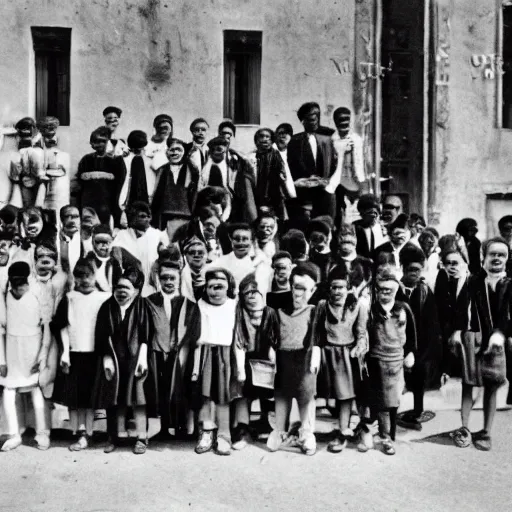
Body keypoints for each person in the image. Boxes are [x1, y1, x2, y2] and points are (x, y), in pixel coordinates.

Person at [449, 238, 512, 451]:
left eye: (501, 255)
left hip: (497, 343)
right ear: (484, 257)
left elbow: (508, 316)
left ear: (507, 258)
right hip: (473, 339)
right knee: (469, 385)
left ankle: (486, 431)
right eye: (492, 254)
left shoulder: (509, 284)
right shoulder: (473, 281)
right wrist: (458, 331)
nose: (497, 258)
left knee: (492, 386)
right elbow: (461, 308)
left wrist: (500, 334)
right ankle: (464, 427)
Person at [93, 267, 157, 455]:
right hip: (114, 359)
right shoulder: (107, 307)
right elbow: (101, 334)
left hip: (136, 358)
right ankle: (115, 436)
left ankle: (141, 436)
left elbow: (147, 334)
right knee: (114, 398)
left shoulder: (143, 306)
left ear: (136, 290)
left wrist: (143, 359)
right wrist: (106, 359)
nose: (121, 292)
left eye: (126, 288)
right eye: (118, 287)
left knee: (138, 398)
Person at [51, 259, 110, 451]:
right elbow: (63, 327)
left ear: (95, 276)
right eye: (80, 276)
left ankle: (90, 432)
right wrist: (65, 353)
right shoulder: (70, 297)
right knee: (75, 397)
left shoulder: (103, 298)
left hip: (95, 354)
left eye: (88, 275)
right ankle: (78, 432)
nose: (84, 280)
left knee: (91, 397)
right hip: (75, 353)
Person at [267, 262, 320, 456]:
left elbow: (317, 336)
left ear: (313, 290)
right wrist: (271, 349)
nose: (299, 294)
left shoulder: (314, 310)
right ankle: (279, 431)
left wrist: (315, 354)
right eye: (296, 287)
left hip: (304, 358)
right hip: (283, 357)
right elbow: (272, 333)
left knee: (306, 395)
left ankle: (306, 433)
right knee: (282, 393)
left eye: (305, 289)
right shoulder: (279, 310)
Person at [315, 265, 368, 452]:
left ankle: (345, 431)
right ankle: (330, 428)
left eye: (341, 287)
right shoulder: (323, 306)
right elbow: (316, 332)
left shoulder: (357, 307)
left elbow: (362, 332)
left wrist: (358, 348)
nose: (337, 291)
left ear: (349, 288)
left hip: (347, 355)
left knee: (346, 395)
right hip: (328, 355)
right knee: (332, 397)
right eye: (334, 287)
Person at [0, 262, 51, 451]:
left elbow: (46, 326)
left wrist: (42, 356)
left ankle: (42, 433)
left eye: (21, 280)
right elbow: (1, 327)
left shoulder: (38, 291)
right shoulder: (4, 293)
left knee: (35, 389)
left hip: (33, 346)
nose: (17, 286)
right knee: (8, 390)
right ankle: (14, 434)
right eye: (14, 281)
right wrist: (2, 360)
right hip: (12, 347)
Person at [146, 258, 199, 438]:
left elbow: (192, 332)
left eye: (172, 278)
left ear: (179, 279)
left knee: (180, 387)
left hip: (180, 351)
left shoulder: (189, 305)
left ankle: (183, 428)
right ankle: (164, 427)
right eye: (164, 278)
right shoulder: (149, 301)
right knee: (161, 388)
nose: (168, 282)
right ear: (159, 279)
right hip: (157, 351)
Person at [368, 266, 416, 455]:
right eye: (382, 290)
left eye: (389, 290)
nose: (385, 293)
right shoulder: (372, 310)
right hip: (376, 358)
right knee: (379, 399)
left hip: (396, 359)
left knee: (393, 399)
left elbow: (412, 333)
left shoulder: (403, 309)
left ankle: (389, 434)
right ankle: (383, 434)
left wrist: (410, 352)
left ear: (396, 290)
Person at [191, 268, 237, 456]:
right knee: (205, 396)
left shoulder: (234, 305)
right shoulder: (201, 305)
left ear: (228, 288)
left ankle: (224, 436)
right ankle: (206, 433)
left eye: (219, 287)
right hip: (205, 353)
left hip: (226, 353)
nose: (214, 291)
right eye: (210, 287)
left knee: (223, 396)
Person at [231, 273, 280, 449]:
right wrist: (240, 369)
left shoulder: (270, 313)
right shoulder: (239, 314)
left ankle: (272, 426)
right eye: (247, 294)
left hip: (265, 359)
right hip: (245, 358)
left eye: (256, 293)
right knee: (242, 393)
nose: (252, 298)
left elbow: (274, 341)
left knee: (269, 393)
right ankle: (243, 428)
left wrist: (273, 362)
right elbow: (239, 342)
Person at [397, 244, 442, 431]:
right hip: (398, 343)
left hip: (421, 343)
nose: (414, 274)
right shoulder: (395, 289)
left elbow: (433, 323)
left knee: (419, 376)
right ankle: (391, 413)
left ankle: (417, 410)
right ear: (403, 269)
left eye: (418, 269)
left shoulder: (424, 291)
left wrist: (426, 350)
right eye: (410, 270)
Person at [286, 102, 337, 231]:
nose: (314, 121)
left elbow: (335, 163)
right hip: (305, 195)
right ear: (303, 121)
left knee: (326, 226)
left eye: (316, 117)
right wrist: (305, 180)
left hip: (325, 192)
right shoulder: (295, 141)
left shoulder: (329, 136)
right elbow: (292, 166)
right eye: (310, 118)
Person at [112, 201, 169, 296]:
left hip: (152, 287)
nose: (147, 219)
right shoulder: (122, 235)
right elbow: (117, 259)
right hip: (130, 288)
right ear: (133, 217)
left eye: (148, 216)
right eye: (142, 216)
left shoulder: (158, 235)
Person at [73, 126, 125, 226]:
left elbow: (120, 181)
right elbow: (80, 179)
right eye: (95, 141)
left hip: (108, 199)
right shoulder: (86, 159)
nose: (99, 144)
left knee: (107, 224)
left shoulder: (116, 160)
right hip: (88, 199)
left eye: (102, 141)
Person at [434, 236, 470, 378]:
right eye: (448, 263)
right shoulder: (443, 278)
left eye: (455, 263)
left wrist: (458, 331)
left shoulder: (470, 282)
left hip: (466, 327)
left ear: (463, 263)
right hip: (446, 326)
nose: (452, 267)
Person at [199, 136, 258, 223]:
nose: (217, 153)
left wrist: (237, 153)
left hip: (228, 196)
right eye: (213, 150)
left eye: (220, 149)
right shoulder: (206, 164)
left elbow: (249, 165)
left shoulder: (231, 164)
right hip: (209, 196)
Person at [325, 107, 366, 227]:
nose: (344, 122)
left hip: (354, 183)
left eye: (346, 119)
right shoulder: (331, 141)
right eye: (341, 119)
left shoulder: (357, 140)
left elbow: (360, 164)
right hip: (337, 183)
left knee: (355, 217)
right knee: (338, 216)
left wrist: (362, 183)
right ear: (335, 121)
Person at [150, 137, 198, 237]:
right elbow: (156, 192)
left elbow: (194, 193)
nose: (175, 153)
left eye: (178, 150)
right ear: (167, 152)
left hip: (185, 214)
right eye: (172, 150)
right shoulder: (162, 169)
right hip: (165, 214)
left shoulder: (192, 170)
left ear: (183, 152)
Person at [118, 130, 160, 224]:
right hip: (128, 203)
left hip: (148, 202)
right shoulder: (125, 160)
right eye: (135, 149)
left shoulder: (151, 161)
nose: (138, 151)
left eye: (141, 148)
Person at [85, 224, 141, 292]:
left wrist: (126, 282)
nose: (103, 245)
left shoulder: (119, 253)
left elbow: (137, 267)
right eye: (99, 241)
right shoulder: (88, 259)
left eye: (107, 241)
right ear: (92, 242)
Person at [249, 128, 287, 221]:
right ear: (256, 140)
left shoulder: (275, 154)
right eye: (261, 136)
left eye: (268, 137)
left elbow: (282, 168)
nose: (265, 139)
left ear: (272, 141)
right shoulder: (253, 155)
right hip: (256, 192)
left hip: (272, 194)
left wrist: (281, 174)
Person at [36, 116, 70, 220]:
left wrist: (45, 172)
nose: (51, 138)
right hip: (44, 192)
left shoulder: (62, 154)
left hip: (59, 192)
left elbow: (62, 171)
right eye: (47, 135)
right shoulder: (39, 152)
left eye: (53, 134)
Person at [8, 117, 46, 209]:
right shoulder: (22, 150)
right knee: (28, 206)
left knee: (37, 205)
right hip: (26, 179)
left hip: (38, 179)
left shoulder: (36, 148)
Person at [372, 213, 413, 277]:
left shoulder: (408, 251)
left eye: (404, 233)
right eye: (398, 233)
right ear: (391, 234)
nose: (401, 236)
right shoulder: (381, 250)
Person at [353, 194, 387, 258]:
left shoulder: (381, 229)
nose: (373, 218)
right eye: (370, 214)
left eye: (375, 214)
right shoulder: (354, 228)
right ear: (361, 213)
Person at [58, 205, 85, 277]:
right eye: (67, 216)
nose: (71, 220)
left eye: (75, 216)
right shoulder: (55, 239)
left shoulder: (84, 240)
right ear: (61, 219)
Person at [180, 235, 208, 303]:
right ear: (185, 256)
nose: (196, 255)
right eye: (192, 253)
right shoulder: (178, 278)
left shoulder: (215, 275)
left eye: (200, 252)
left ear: (206, 255)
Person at [273, 123, 296, 201]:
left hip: (292, 195)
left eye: (286, 133)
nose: (283, 136)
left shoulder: (292, 153)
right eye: (280, 133)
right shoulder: (271, 152)